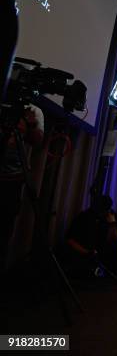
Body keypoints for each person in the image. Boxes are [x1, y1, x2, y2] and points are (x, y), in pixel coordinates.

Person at [0, 104, 44, 271]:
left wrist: (30, 124)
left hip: (12, 180)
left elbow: (37, 141)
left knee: (4, 231)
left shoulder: (34, 110)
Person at [64, 195, 117, 277]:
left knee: (115, 251)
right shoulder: (85, 216)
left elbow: (114, 239)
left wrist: (112, 224)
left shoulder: (112, 217)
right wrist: (87, 253)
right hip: (84, 251)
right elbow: (70, 239)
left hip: (101, 252)